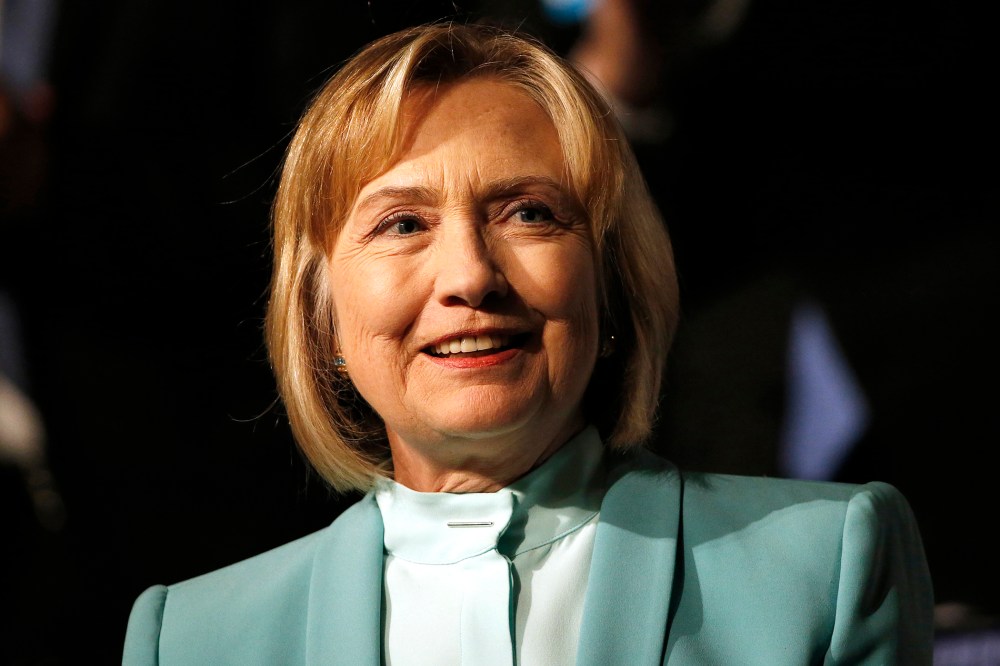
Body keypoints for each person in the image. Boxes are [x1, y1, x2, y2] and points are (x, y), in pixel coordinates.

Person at [123, 22, 933, 665]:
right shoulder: (191, 638)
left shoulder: (822, 564)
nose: (470, 275)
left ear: (609, 280)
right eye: (403, 224)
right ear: (321, 315)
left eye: (529, 214)